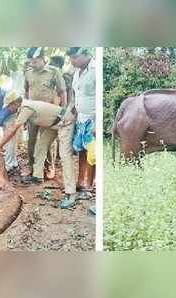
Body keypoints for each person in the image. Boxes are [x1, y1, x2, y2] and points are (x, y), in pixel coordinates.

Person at [0, 96, 77, 209]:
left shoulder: (26, 108)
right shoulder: (24, 107)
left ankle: (70, 193)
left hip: (65, 122)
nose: (8, 109)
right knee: (40, 147)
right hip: (53, 124)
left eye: (8, 106)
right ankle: (38, 176)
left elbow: (13, 129)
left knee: (65, 156)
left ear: (14, 103)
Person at [25, 47, 67, 178]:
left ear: (43, 59)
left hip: (48, 114)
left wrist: (62, 111)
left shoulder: (54, 72)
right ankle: (32, 166)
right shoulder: (28, 72)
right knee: (31, 141)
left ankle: (49, 167)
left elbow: (62, 92)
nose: (33, 64)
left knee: (47, 142)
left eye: (35, 61)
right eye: (31, 61)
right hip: (32, 113)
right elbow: (26, 91)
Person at [67, 47, 96, 203]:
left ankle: (89, 186)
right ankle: (81, 181)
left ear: (86, 54)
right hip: (81, 119)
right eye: (71, 58)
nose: (73, 61)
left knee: (93, 154)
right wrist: (72, 116)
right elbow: (76, 97)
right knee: (82, 151)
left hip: (92, 119)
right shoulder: (76, 73)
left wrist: (97, 122)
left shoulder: (95, 70)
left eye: (75, 57)